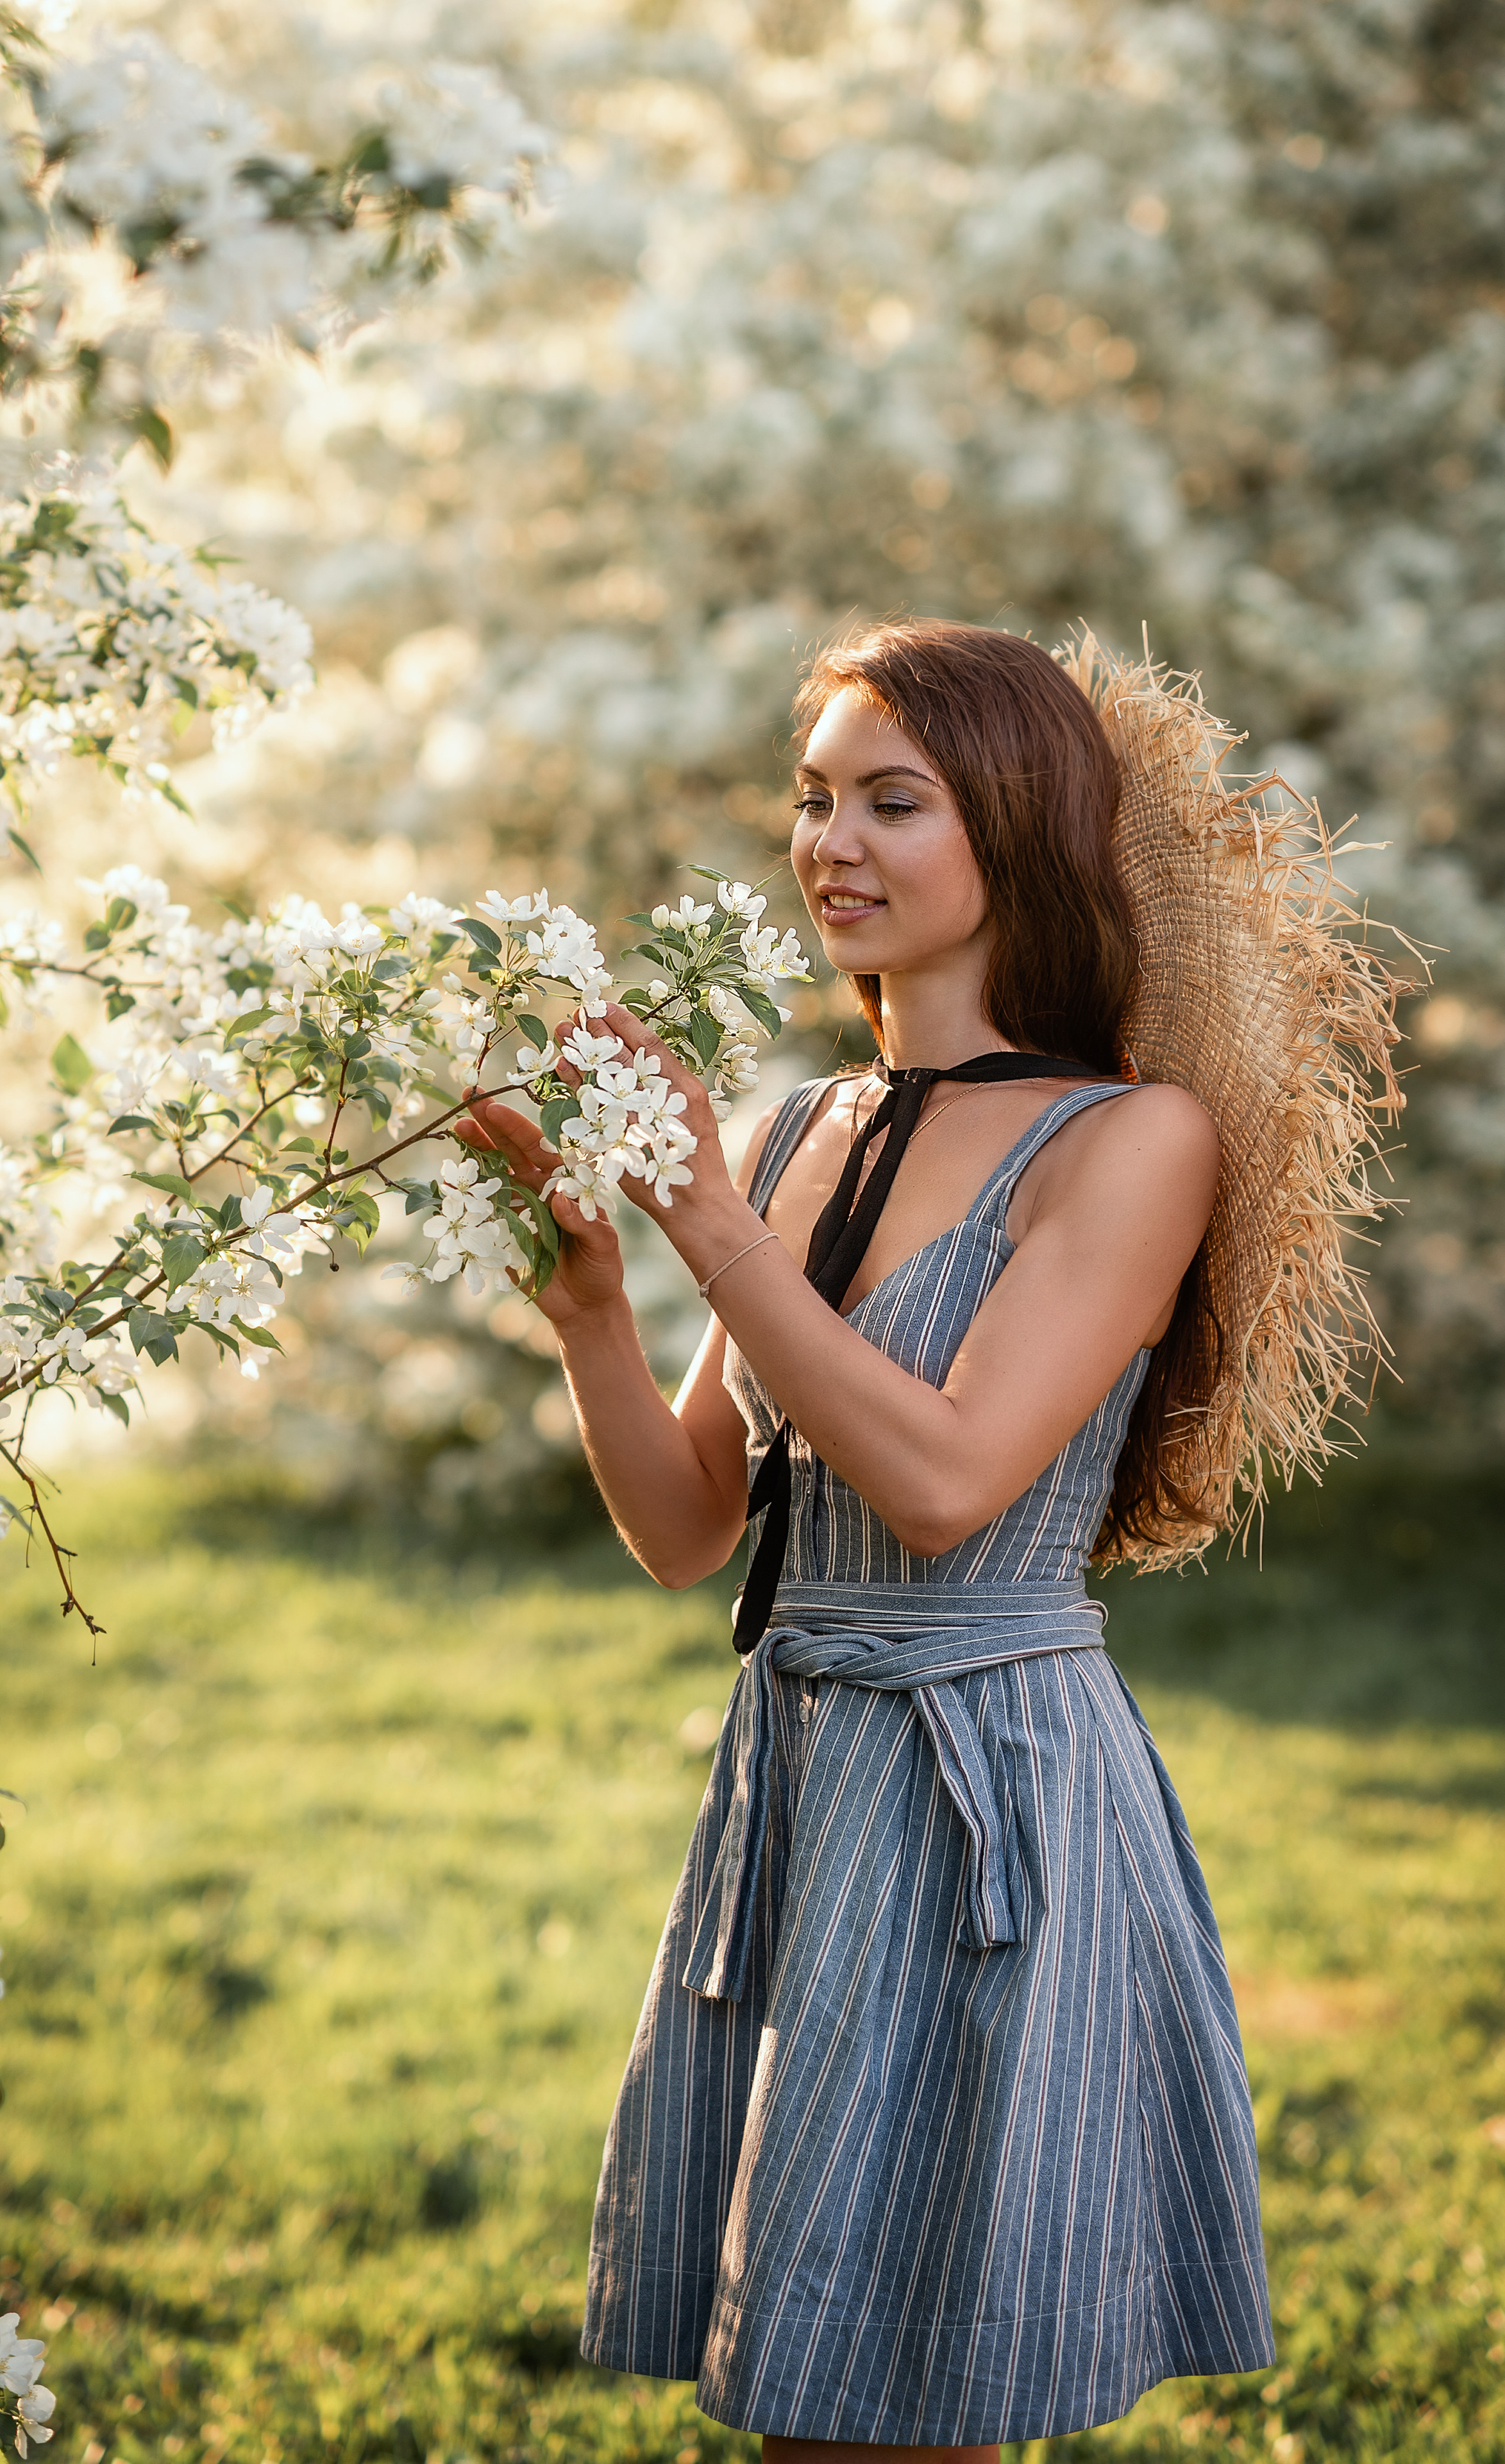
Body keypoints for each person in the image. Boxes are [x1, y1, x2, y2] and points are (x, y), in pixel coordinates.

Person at [464, 620, 1296, 2462]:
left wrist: (710, 1229)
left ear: (1016, 823)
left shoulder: (1129, 1141)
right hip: (806, 1785)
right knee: (813, 2390)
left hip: (988, 1780)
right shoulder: (790, 1136)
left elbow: (944, 1479)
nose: (830, 841)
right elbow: (692, 1530)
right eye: (814, 797)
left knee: (899, 2400)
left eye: (891, 801)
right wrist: (596, 1304)